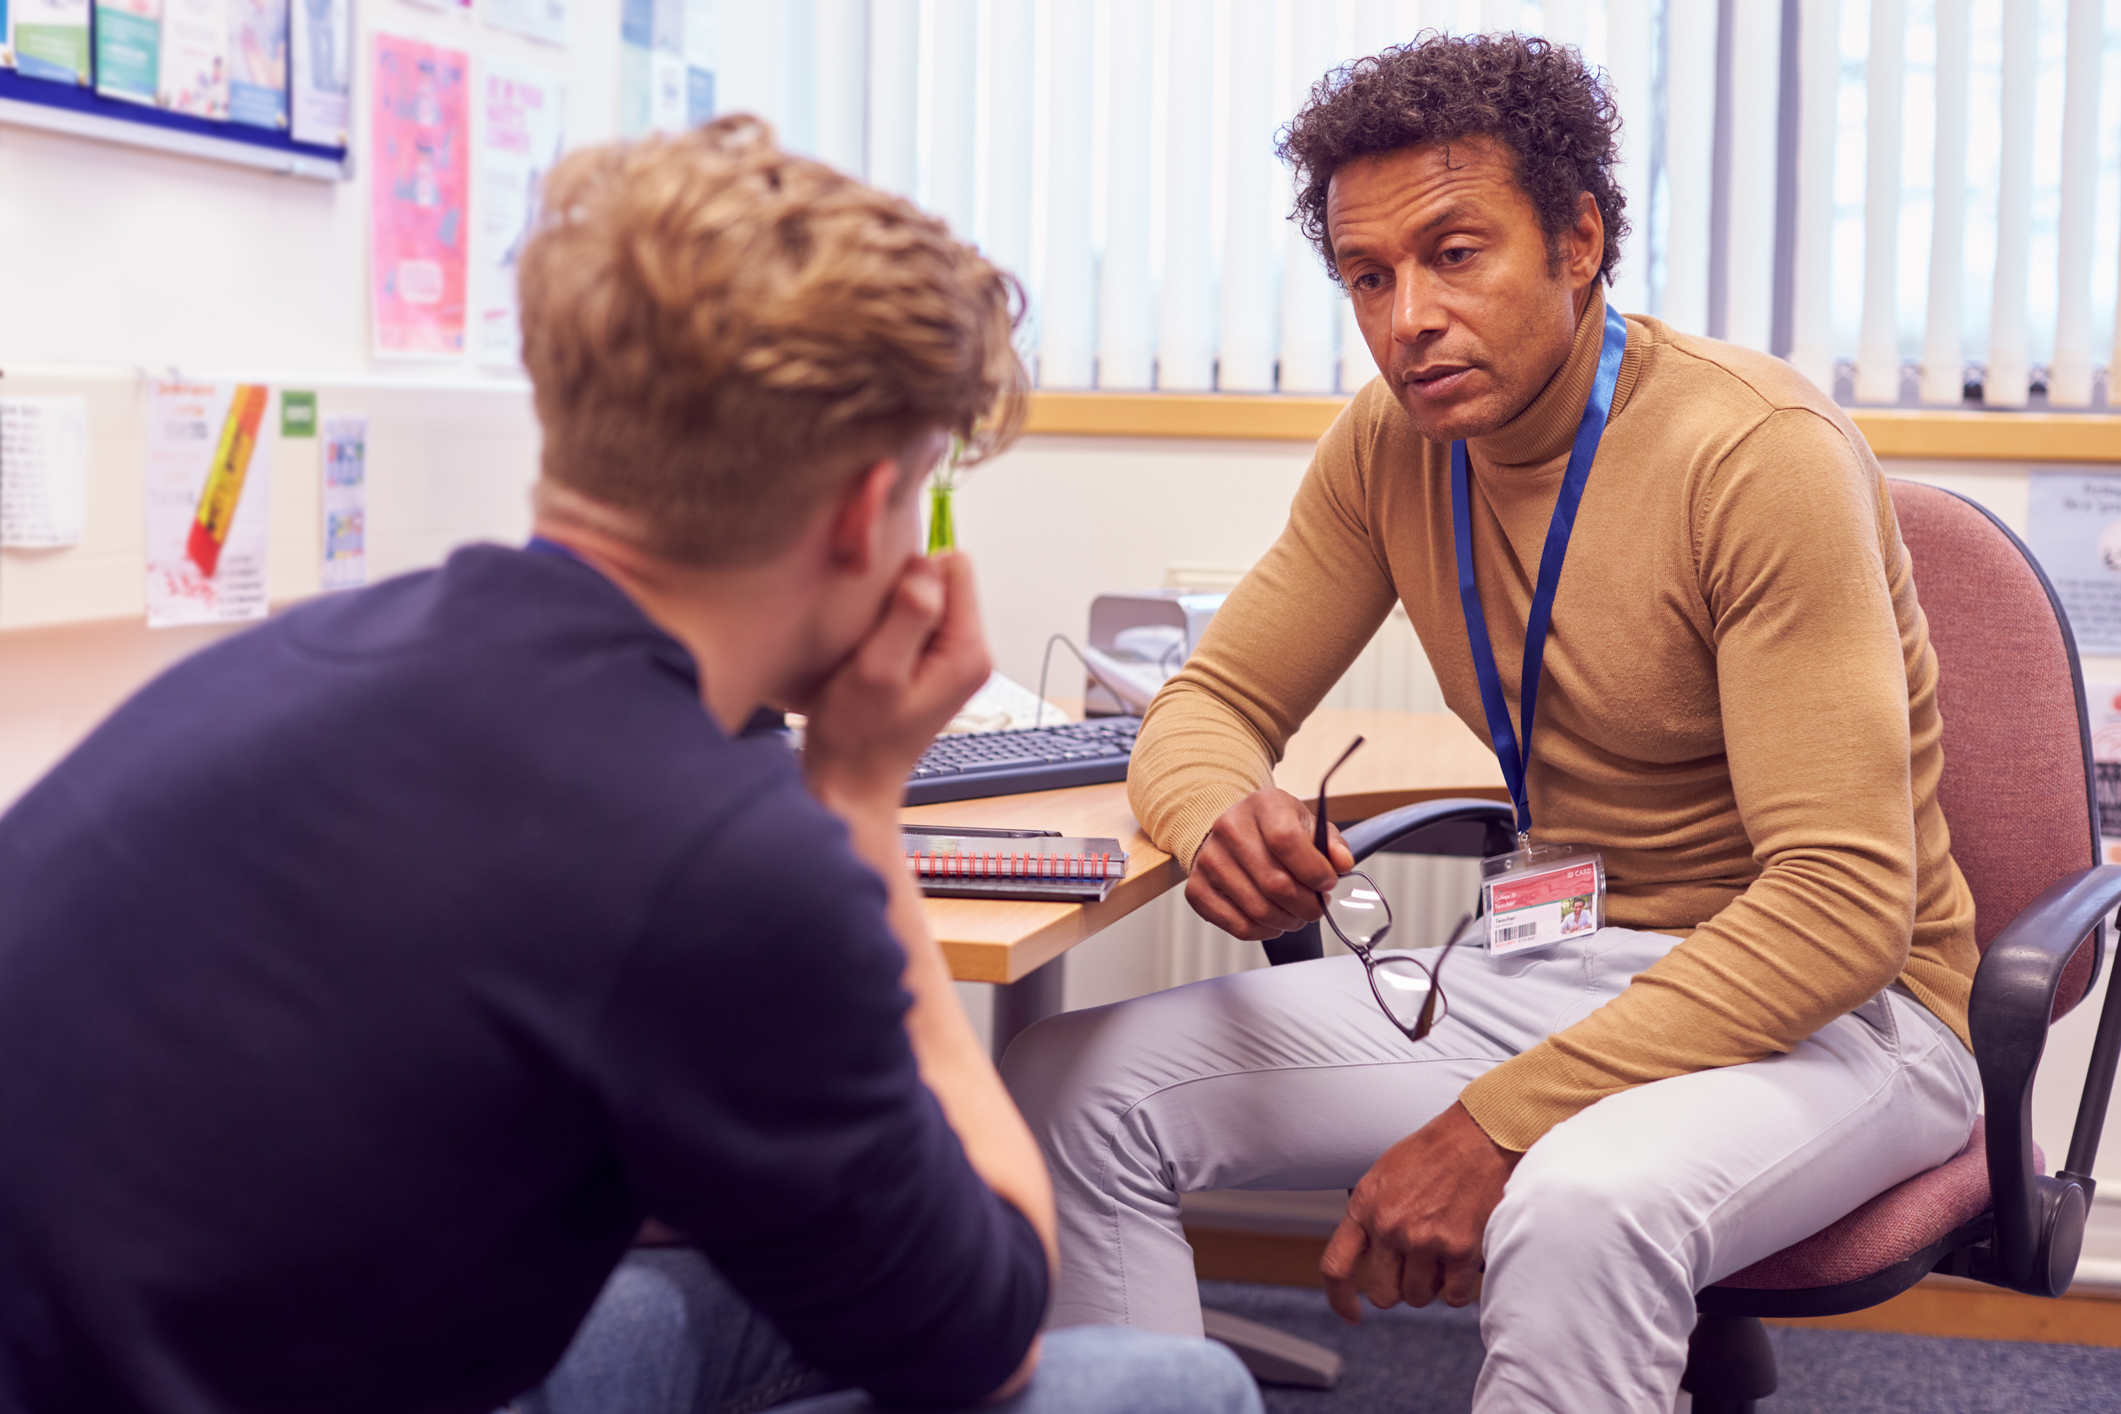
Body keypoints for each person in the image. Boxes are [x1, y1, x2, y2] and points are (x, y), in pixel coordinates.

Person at [0, 118, 1257, 1414]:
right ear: (858, 511)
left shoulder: (316, 654)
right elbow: (977, 1331)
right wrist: (860, 802)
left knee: (734, 1288)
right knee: (1166, 1385)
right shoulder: (719, 859)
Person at [1002, 33, 1980, 1414]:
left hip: (1841, 1015)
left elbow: (1838, 905)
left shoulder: (1754, 454)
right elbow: (1207, 701)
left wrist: (1489, 1126)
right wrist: (1216, 803)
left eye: (1454, 254)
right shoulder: (1391, 445)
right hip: (1577, 957)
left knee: (1574, 1203)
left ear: (1578, 240)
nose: (1405, 317)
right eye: (1366, 276)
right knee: (1072, 1082)